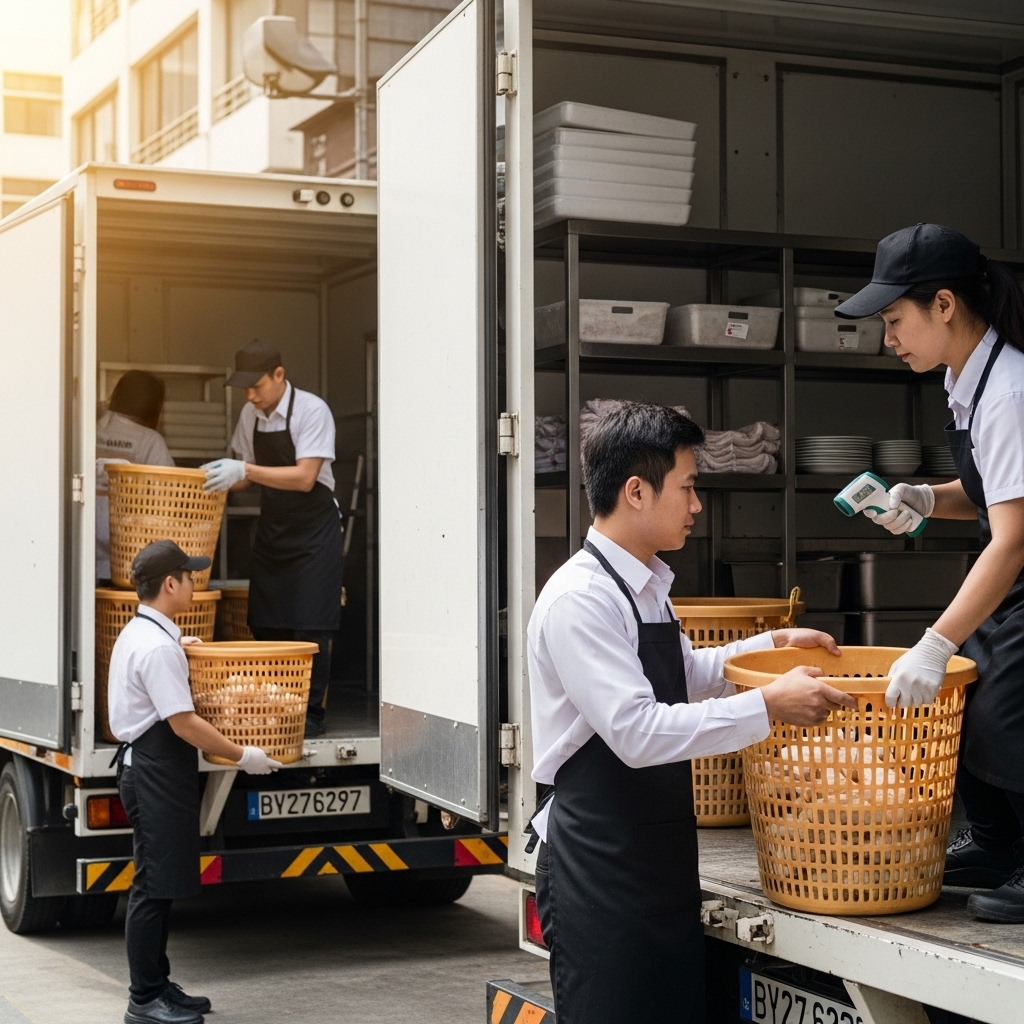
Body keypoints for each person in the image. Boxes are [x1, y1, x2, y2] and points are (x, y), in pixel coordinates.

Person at [529, 402, 855, 1024]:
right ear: (636, 491)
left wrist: (768, 649)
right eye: (688, 486)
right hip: (600, 869)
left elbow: (686, 675)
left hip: (655, 861)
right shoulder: (582, 599)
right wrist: (769, 704)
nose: (697, 504)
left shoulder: (643, 585)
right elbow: (636, 732)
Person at [840, 223, 1024, 923]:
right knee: (967, 699)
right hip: (1013, 563)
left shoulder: (1009, 390)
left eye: (895, 319)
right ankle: (1001, 845)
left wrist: (935, 640)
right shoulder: (965, 378)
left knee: (1005, 710)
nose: (889, 338)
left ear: (943, 304)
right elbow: (993, 491)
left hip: (1016, 562)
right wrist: (922, 500)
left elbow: (1010, 539)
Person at [108, 539, 282, 1024]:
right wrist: (243, 754)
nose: (194, 582)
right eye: (189, 575)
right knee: (152, 888)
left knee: (159, 882)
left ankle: (159, 984)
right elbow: (184, 723)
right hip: (154, 772)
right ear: (170, 583)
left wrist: (179, 648)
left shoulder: (143, 633)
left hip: (151, 768)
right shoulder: (156, 648)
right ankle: (144, 999)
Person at [200, 340, 343, 738]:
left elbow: (304, 477)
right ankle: (275, 708)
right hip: (274, 528)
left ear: (279, 375)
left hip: (315, 532)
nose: (250, 395)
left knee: (311, 624)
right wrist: (218, 479)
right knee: (266, 620)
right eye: (244, 387)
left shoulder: (312, 411)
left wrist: (244, 467)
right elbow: (246, 477)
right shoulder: (251, 414)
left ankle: (311, 714)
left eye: (257, 385)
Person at [97, 370, 173, 582]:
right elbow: (168, 500)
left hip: (83, 550)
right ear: (154, 405)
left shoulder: (90, 429)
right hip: (127, 554)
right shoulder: (150, 441)